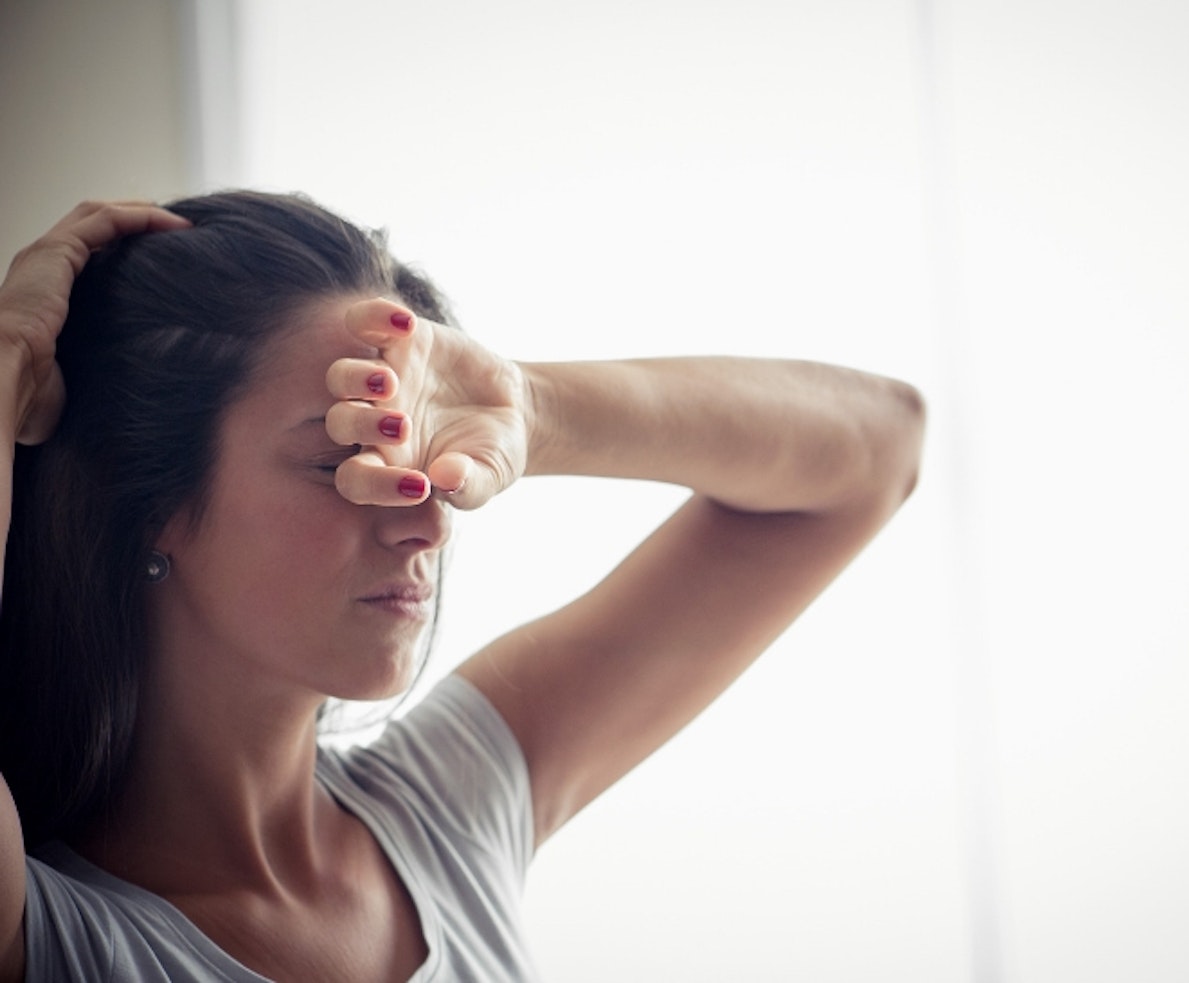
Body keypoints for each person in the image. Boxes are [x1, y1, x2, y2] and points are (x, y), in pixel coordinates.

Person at [0, 194, 924, 982]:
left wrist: (529, 408)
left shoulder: (445, 806)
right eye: (341, 462)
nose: (428, 517)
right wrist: (6, 358)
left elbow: (881, 446)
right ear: (147, 495)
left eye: (417, 459)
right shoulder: (51, 934)